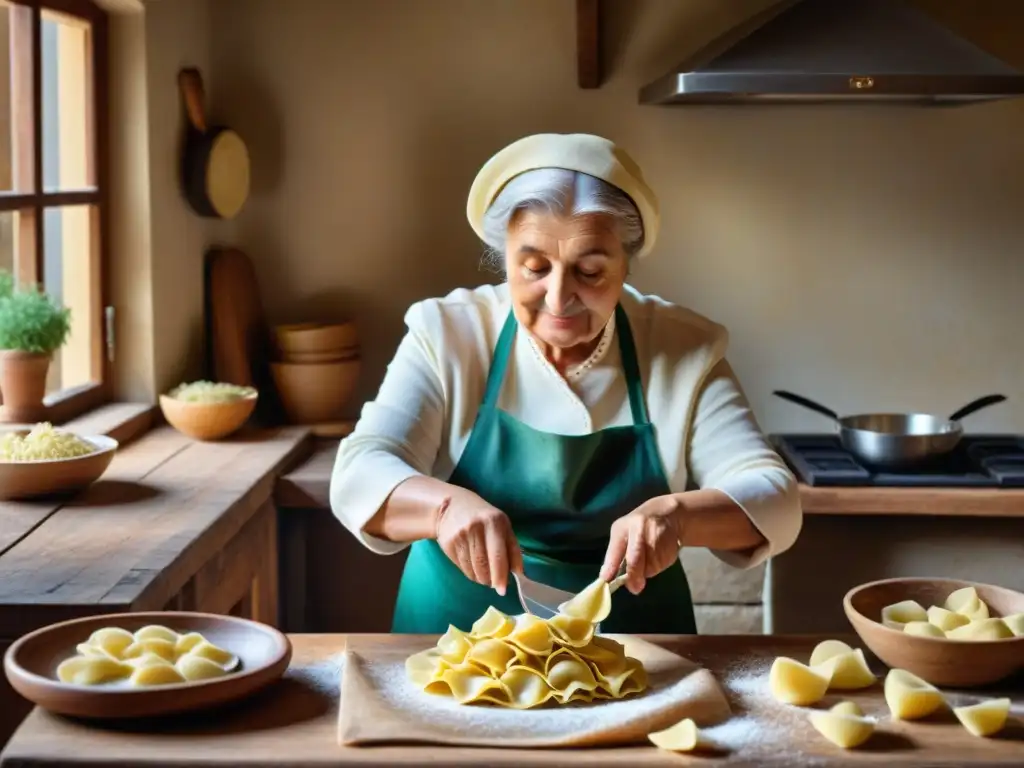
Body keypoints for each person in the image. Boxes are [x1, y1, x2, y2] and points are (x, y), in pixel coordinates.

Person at [329, 133, 803, 634]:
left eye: (591, 271)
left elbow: (774, 496)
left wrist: (676, 518)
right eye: (533, 268)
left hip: (639, 647)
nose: (558, 298)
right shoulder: (449, 334)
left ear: (626, 265)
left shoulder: (681, 351)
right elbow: (360, 469)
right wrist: (443, 508)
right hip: (452, 639)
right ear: (505, 257)